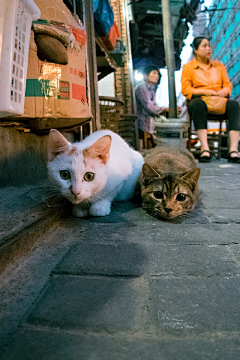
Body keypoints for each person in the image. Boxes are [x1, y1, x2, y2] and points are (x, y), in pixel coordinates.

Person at [181, 36, 240, 163]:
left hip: (219, 100)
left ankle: (233, 150)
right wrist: (205, 92)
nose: (208, 49)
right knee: (198, 105)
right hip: (200, 101)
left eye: (209, 46)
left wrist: (223, 92)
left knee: (234, 105)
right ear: (195, 50)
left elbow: (228, 85)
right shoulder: (188, 68)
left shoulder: (219, 66)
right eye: (204, 46)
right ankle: (205, 148)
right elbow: (186, 90)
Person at [135, 65, 181, 148]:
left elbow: (154, 106)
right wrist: (166, 109)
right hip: (142, 121)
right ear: (146, 75)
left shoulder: (152, 89)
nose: (157, 76)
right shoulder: (141, 87)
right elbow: (149, 107)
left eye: (158, 74)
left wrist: (168, 109)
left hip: (150, 121)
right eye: (154, 73)